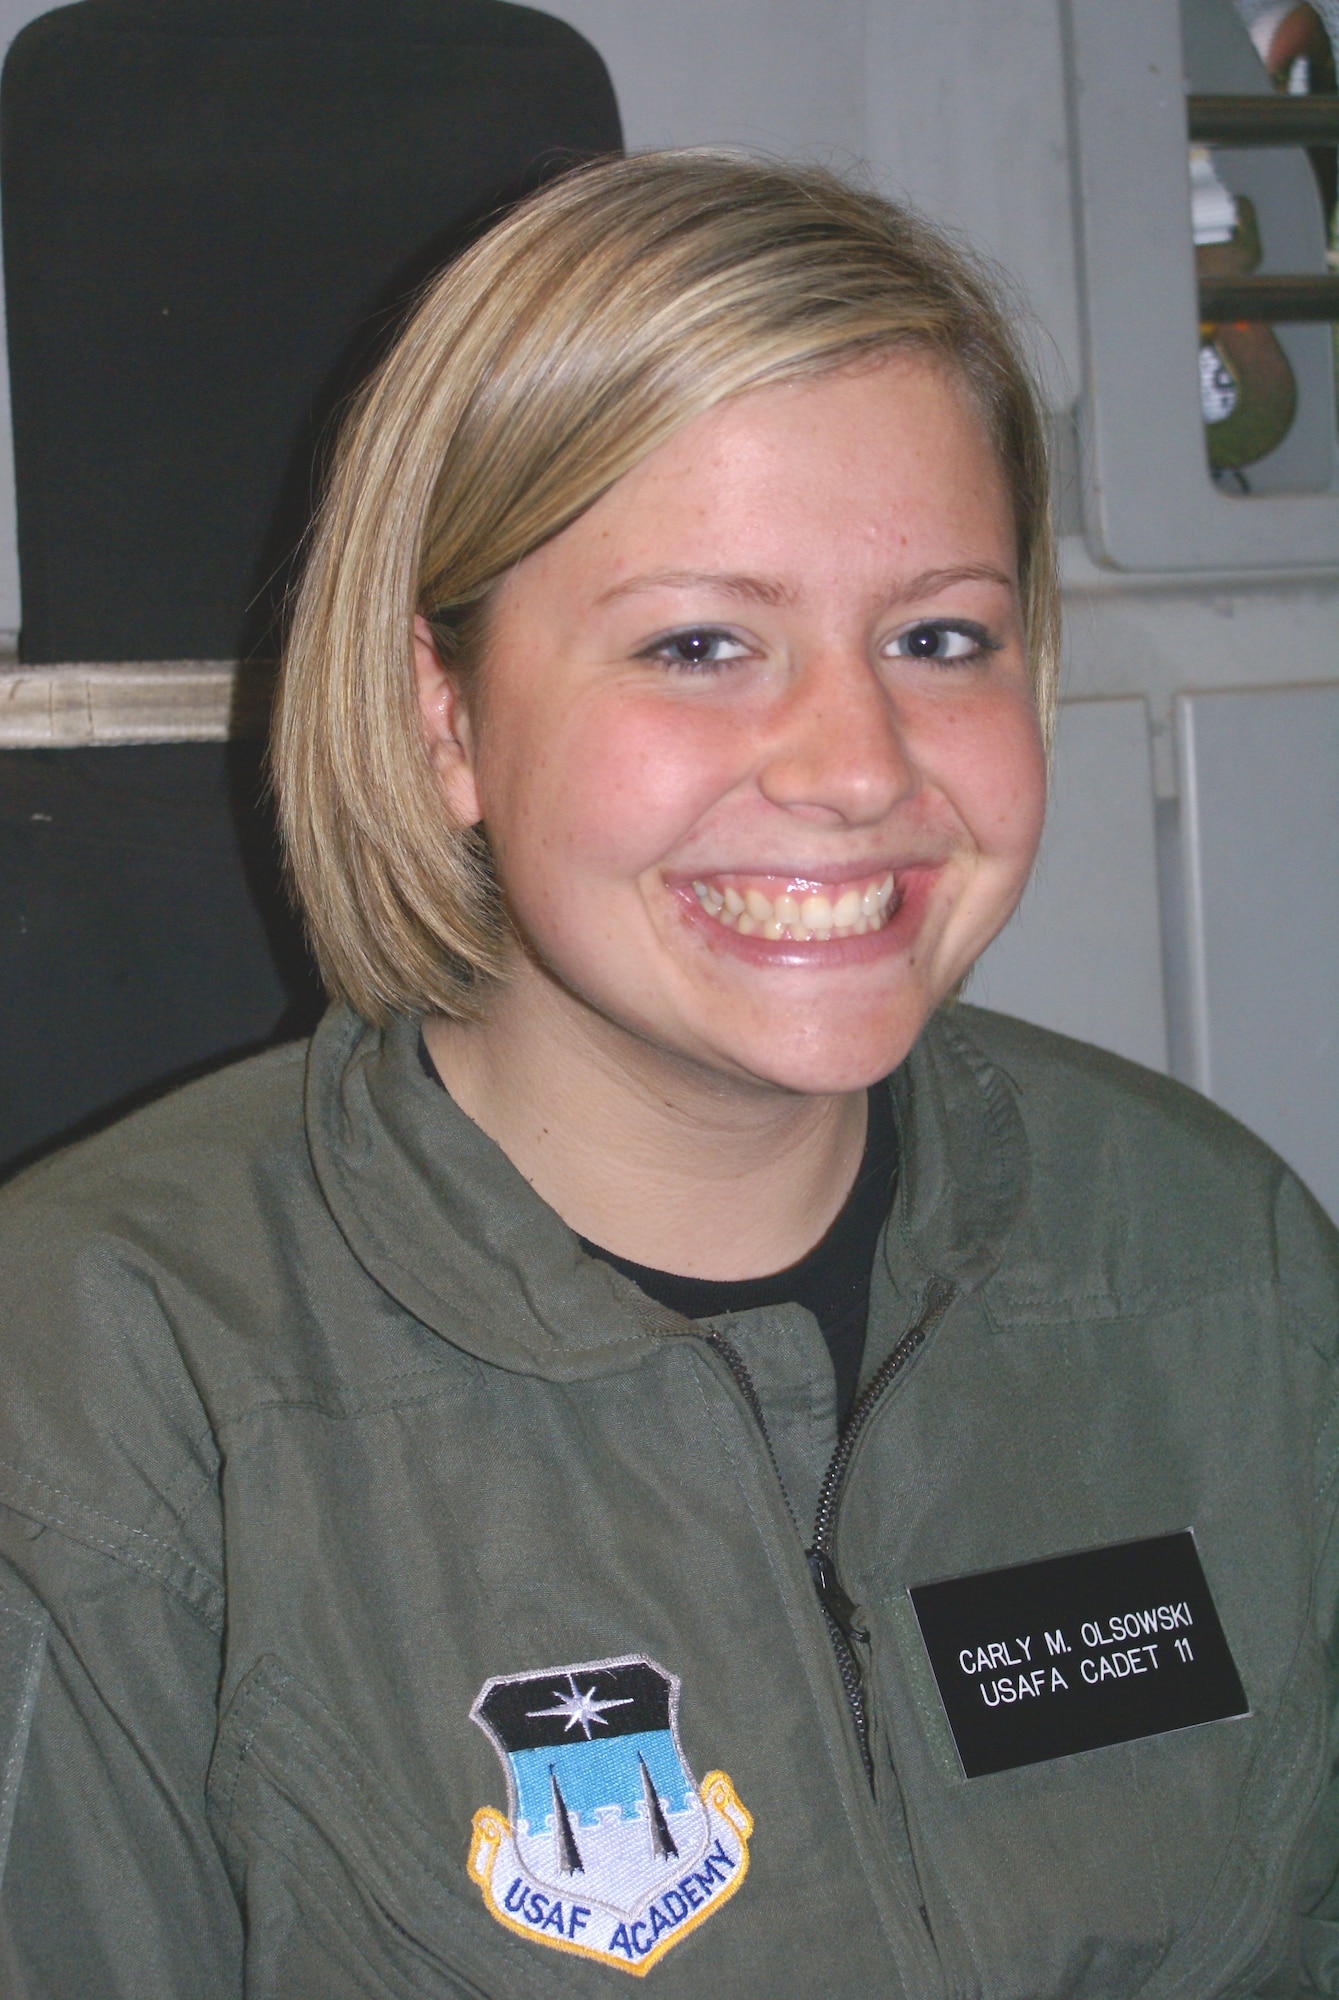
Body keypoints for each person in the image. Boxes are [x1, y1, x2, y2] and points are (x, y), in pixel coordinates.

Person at [1, 151, 1337, 2000]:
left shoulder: (1221, 1252)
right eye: (701, 643)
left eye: (937, 637)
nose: (859, 763)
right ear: (442, 716)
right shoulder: (99, 1384)